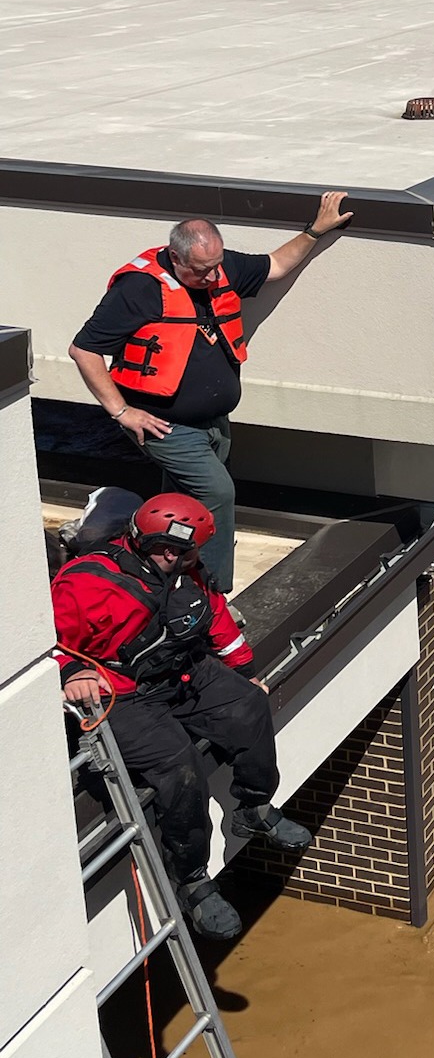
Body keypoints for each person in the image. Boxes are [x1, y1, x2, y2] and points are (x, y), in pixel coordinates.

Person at [52, 492, 312, 941]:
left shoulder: (190, 577)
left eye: (181, 550)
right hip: (124, 695)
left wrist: (244, 674)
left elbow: (217, 626)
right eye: (162, 548)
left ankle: (252, 805)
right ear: (138, 537)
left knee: (248, 707)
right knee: (180, 765)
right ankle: (193, 880)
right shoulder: (86, 582)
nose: (171, 556)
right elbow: (45, 645)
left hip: (185, 672)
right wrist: (72, 671)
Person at [69, 193, 353, 594]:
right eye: (201, 271)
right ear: (176, 258)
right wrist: (121, 412)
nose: (212, 277)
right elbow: (84, 349)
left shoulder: (221, 267)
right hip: (165, 424)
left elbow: (275, 265)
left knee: (178, 504)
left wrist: (315, 231)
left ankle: (159, 572)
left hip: (214, 423)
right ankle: (212, 592)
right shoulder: (140, 289)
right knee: (216, 494)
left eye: (216, 267)